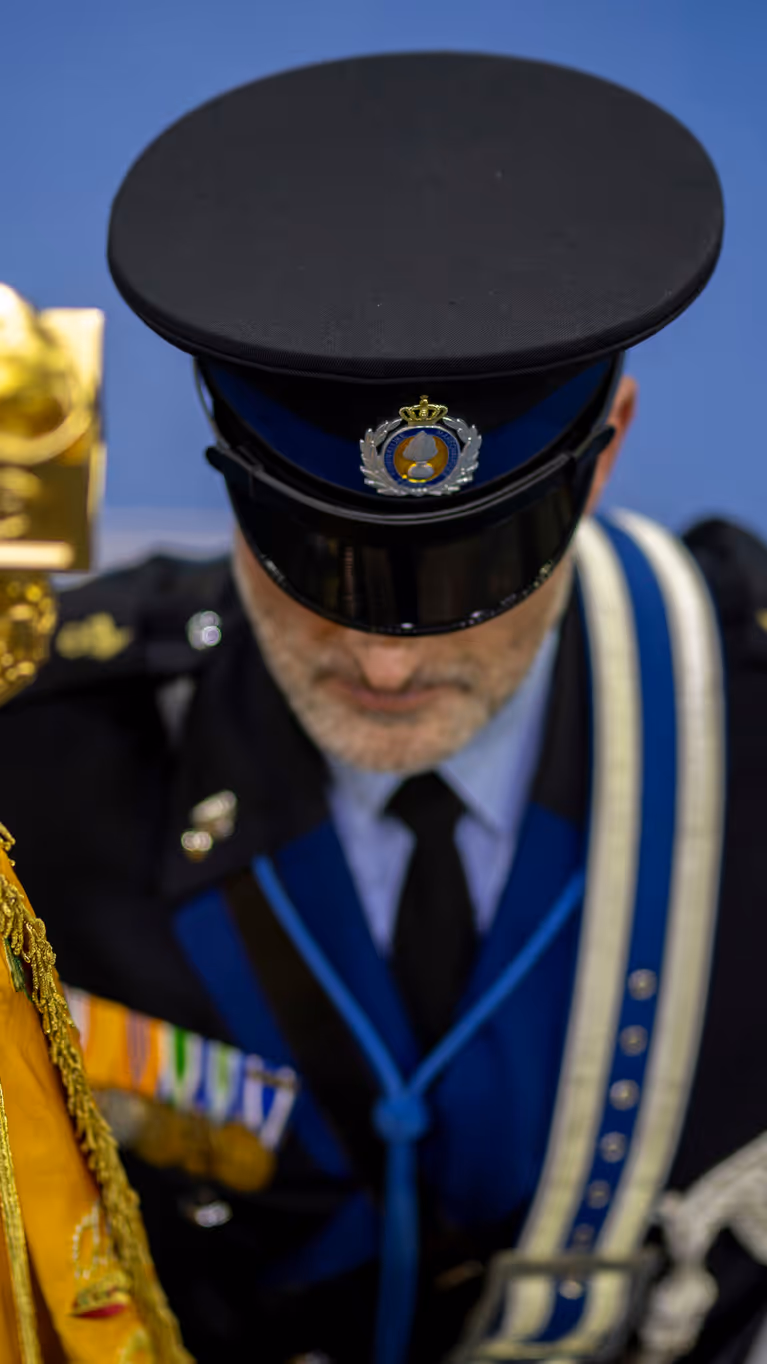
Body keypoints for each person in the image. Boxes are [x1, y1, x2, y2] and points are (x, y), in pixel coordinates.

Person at [1, 51, 766, 1364]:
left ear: (609, 452)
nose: (390, 664)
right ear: (229, 483)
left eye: (472, 580)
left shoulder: (737, 726)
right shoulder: (47, 744)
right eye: (317, 568)